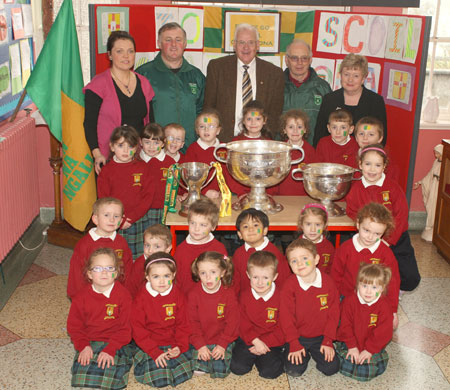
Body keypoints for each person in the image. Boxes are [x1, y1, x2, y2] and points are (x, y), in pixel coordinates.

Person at [346, 145, 421, 293]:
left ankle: (397, 290)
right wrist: (366, 233)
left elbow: (401, 215)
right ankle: (372, 292)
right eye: (368, 164)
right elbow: (352, 211)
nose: (372, 169)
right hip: (368, 238)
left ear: (384, 167)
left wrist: (388, 240)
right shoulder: (356, 189)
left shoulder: (392, 187)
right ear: (360, 164)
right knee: (368, 270)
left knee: (411, 278)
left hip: (396, 239)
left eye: (377, 165)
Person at [83, 30, 154, 174]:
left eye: (130, 51)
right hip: (108, 158)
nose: (126, 56)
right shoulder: (98, 85)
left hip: (139, 158)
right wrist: (97, 155)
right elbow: (89, 124)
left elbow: (150, 123)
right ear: (109, 55)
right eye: (119, 51)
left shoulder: (144, 83)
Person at [204, 23, 284, 141]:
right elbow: (208, 108)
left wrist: (264, 138)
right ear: (234, 45)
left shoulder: (274, 73)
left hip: (259, 142)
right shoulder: (217, 68)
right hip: (223, 141)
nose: (246, 47)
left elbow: (275, 114)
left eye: (251, 42)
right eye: (241, 42)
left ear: (257, 46)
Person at [67, 248, 133, 389]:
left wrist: (111, 348)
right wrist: (83, 346)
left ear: (116, 273)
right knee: (82, 379)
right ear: (89, 274)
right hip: (90, 341)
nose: (104, 272)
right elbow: (74, 327)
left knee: (110, 379)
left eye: (110, 268)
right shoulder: (81, 297)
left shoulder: (124, 295)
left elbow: (126, 328)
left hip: (116, 341)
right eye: (98, 268)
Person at [136, 23, 205, 151]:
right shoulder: (143, 74)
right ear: (159, 43)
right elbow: (136, 116)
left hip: (189, 150)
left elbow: (202, 111)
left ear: (184, 44)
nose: (174, 44)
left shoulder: (196, 76)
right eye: (168, 40)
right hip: (155, 151)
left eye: (178, 40)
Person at [331, 202, 400, 328]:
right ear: (358, 224)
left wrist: (393, 310)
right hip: (347, 298)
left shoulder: (386, 254)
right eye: (366, 230)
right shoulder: (345, 248)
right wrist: (334, 301)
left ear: (383, 232)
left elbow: (393, 283)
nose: (370, 237)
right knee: (340, 326)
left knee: (376, 328)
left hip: (375, 300)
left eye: (377, 234)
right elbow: (336, 276)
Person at [131, 252, 193, 387]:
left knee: (183, 374)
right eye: (155, 276)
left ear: (174, 275)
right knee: (160, 379)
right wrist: (154, 351)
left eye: (166, 276)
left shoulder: (178, 294)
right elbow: (138, 329)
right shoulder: (141, 298)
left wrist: (179, 346)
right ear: (147, 277)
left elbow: (183, 324)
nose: (162, 281)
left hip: (173, 342)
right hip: (150, 343)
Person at [281, 238, 340, 377]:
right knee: (294, 370)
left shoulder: (328, 283)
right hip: (298, 335)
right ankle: (295, 351)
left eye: (304, 258)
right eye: (294, 261)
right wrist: (294, 343)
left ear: (316, 259)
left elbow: (334, 314)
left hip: (321, 336)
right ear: (289, 265)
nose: (299, 263)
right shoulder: (289, 286)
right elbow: (286, 318)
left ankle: (315, 351)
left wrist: (328, 340)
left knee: (331, 368)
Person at [97, 126, 155, 258]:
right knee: (115, 257)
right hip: (114, 221)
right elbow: (104, 200)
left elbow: (148, 196)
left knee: (138, 256)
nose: (125, 150)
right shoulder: (106, 171)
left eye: (130, 146)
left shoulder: (143, 168)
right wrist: (119, 219)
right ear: (112, 147)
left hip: (138, 219)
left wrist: (132, 217)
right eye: (121, 145)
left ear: (136, 148)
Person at [230, 251, 285, 379]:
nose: (260, 282)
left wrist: (264, 343)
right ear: (248, 275)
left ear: (275, 277)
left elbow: (283, 327)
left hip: (272, 341)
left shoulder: (282, 297)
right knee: (237, 368)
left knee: (269, 372)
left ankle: (271, 357)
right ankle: (257, 356)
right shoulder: (244, 296)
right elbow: (241, 323)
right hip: (249, 338)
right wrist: (255, 341)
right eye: (255, 277)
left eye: (266, 278)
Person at [314, 53, 387, 147]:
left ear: (363, 78)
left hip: (363, 156)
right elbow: (319, 135)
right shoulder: (329, 99)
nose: (350, 80)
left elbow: (381, 138)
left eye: (356, 76)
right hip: (332, 155)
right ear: (340, 75)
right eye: (346, 74)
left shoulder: (375, 101)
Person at [336, 263, 393, 381]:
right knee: (339, 361)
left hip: (372, 344)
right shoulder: (349, 301)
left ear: (382, 289)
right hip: (349, 340)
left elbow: (383, 333)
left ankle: (363, 359)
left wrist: (369, 350)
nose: (368, 291)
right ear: (357, 285)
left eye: (374, 287)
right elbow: (345, 325)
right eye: (364, 285)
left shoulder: (384, 306)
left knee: (367, 370)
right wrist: (352, 347)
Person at [67, 197, 133, 299]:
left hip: (116, 294)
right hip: (91, 295)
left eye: (116, 216)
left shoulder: (121, 242)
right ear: (95, 219)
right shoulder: (85, 244)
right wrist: (79, 298)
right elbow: (76, 274)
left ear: (121, 220)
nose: (112, 219)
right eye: (106, 215)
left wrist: (127, 293)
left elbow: (128, 269)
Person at [188, 251, 239, 378]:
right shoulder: (193, 294)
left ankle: (226, 353)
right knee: (198, 371)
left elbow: (233, 323)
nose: (208, 277)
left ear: (222, 272)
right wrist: (200, 346)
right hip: (201, 339)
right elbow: (192, 323)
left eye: (213, 272)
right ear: (198, 273)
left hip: (222, 339)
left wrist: (222, 344)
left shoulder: (229, 294)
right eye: (203, 273)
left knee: (220, 373)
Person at [283, 39, 332, 145]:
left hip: (314, 154)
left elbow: (331, 124)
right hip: (282, 152)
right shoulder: (276, 86)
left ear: (310, 60)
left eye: (304, 58)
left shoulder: (323, 88)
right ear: (286, 60)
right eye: (294, 58)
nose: (299, 63)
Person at [232, 208, 291, 296]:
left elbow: (283, 281)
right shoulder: (238, 254)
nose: (251, 229)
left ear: (264, 231)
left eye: (256, 225)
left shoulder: (274, 253)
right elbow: (235, 282)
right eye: (245, 226)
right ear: (240, 234)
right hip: (246, 299)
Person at [173, 199, 227, 294]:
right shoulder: (181, 250)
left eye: (203, 225)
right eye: (193, 223)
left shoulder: (219, 248)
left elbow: (225, 277)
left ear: (213, 227)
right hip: (187, 300)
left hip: (212, 298)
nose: (196, 228)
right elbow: (176, 280)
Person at [139, 123, 175, 225]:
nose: (151, 147)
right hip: (140, 209)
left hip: (163, 208)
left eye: (156, 143)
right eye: (147, 142)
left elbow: (177, 184)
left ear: (163, 143)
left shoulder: (170, 163)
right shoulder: (136, 162)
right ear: (140, 142)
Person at [125, 224, 172, 299]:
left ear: (168, 249)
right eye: (147, 245)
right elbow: (131, 288)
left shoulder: (170, 264)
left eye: (156, 246)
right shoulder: (139, 264)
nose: (150, 250)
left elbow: (173, 285)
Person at [184, 109, 223, 199]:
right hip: (199, 195)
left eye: (211, 126)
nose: (206, 130)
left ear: (218, 130)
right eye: (202, 126)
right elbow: (188, 176)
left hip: (222, 196)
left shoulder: (223, 149)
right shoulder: (192, 149)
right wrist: (203, 191)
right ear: (197, 130)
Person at [276, 109, 316, 196]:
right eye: (291, 127)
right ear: (284, 130)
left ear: (305, 130)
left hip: (303, 197)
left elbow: (313, 179)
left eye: (299, 127)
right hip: (281, 196)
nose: (295, 131)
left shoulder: (311, 151)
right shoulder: (279, 150)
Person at [414, 144, 443, 242]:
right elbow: (430, 175)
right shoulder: (436, 162)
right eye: (435, 153)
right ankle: (430, 225)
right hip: (433, 186)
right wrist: (420, 182)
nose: (436, 155)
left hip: (440, 188)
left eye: (438, 153)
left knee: (437, 207)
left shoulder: (446, 164)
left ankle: (436, 227)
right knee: (431, 206)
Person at [354, 116, 399, 181]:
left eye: (371, 134)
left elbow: (391, 185)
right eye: (361, 134)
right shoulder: (349, 155)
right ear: (356, 137)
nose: (365, 138)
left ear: (380, 138)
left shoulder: (387, 163)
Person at [298, 203, 334, 274]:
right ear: (301, 224)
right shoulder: (295, 247)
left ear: (324, 226)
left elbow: (332, 270)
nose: (313, 229)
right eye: (308, 224)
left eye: (317, 225)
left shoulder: (329, 247)